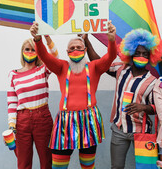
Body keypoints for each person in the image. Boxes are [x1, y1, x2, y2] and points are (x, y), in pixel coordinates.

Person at [30, 21, 117, 169]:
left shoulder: (94, 67)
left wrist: (111, 39)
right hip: (64, 122)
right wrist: (37, 40)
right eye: (72, 48)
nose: (75, 50)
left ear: (85, 49)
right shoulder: (61, 66)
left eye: (78, 47)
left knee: (88, 165)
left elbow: (110, 57)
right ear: (67, 52)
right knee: (58, 165)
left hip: (89, 121)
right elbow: (44, 56)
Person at [83, 28, 162, 169]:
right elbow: (98, 63)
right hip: (119, 129)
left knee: (146, 167)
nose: (141, 56)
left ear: (150, 57)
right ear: (131, 54)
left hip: (141, 131)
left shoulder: (153, 81)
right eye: (137, 53)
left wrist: (143, 107)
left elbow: (158, 109)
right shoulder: (121, 69)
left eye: (145, 54)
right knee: (116, 167)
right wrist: (86, 41)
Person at [7, 35, 58, 169]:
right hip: (22, 121)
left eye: (33, 50)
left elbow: (55, 59)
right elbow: (12, 103)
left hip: (42, 117)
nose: (30, 52)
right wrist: (12, 126)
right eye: (27, 49)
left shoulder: (43, 69)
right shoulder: (13, 74)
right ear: (22, 52)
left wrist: (46, 38)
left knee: (47, 160)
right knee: (23, 163)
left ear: (38, 53)